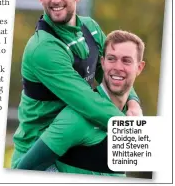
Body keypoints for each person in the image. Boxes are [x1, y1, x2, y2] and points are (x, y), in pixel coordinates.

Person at [11, 0, 141, 168]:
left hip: (73, 142)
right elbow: (87, 102)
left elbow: (113, 72)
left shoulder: (91, 27)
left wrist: (134, 102)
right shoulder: (43, 49)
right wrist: (136, 132)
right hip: (40, 156)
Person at [15, 30, 146, 175]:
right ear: (102, 62)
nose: (118, 67)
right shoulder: (75, 120)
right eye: (111, 59)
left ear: (139, 68)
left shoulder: (132, 114)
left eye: (126, 60)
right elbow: (22, 171)